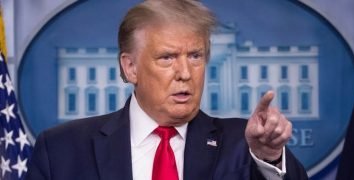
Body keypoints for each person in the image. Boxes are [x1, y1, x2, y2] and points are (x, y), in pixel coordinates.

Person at [26, 0, 308, 179]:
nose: (185, 73)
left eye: (195, 56)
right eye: (167, 58)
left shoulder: (244, 144)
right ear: (130, 67)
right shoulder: (62, 149)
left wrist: (268, 158)